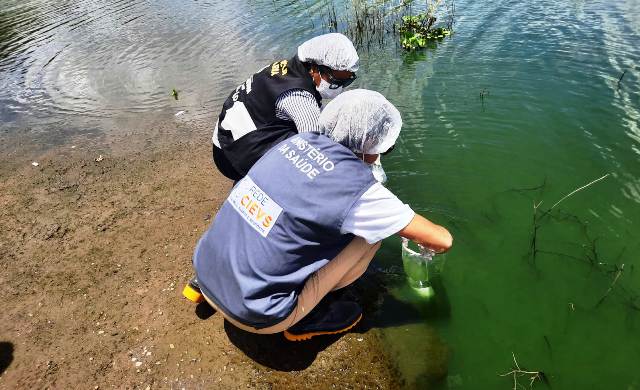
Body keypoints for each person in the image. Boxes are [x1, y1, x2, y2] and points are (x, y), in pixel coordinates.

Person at [188, 89, 453, 341]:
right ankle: (308, 316)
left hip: (205, 267)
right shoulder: (357, 190)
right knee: (370, 238)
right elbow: (441, 240)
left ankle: (209, 283)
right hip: (255, 314)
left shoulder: (295, 141)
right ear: (373, 145)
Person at [212, 33, 359, 181]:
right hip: (231, 158)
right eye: (336, 80)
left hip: (224, 137)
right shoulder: (300, 98)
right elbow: (316, 150)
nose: (340, 87)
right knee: (305, 160)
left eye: (347, 80)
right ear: (314, 67)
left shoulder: (284, 68)